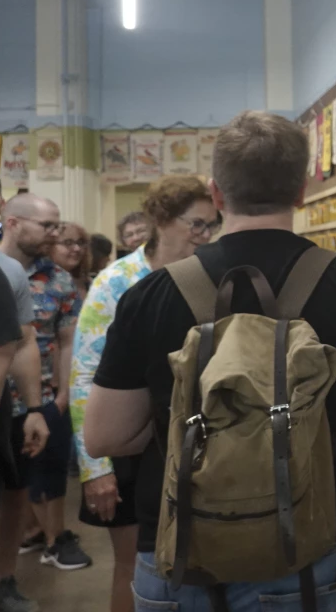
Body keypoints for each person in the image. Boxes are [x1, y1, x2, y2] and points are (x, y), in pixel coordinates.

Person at [84, 110, 336, 611]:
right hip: (306, 546)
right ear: (301, 190)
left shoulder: (151, 294)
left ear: (217, 194)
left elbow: (105, 435)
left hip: (179, 551)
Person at [70, 177, 216, 612]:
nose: (206, 236)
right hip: (128, 450)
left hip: (194, 448)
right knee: (134, 565)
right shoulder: (117, 283)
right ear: (161, 220)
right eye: (196, 225)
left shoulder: (210, 276)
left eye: (212, 225)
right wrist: (94, 468)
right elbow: (84, 376)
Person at [0, 193, 92, 596]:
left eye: (57, 225)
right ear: (13, 223)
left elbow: (67, 342)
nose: (55, 233)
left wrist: (62, 395)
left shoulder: (59, 280)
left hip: (36, 401)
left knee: (24, 488)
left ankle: (4, 577)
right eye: (47, 226)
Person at [0, 168, 49, 612]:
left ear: (1, 207)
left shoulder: (5, 271)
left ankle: (0, 581)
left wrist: (36, 408)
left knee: (3, 494)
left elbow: (22, 344)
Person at [51, 222, 91, 298]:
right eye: (68, 242)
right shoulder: (41, 284)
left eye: (80, 242)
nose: (77, 248)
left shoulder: (90, 284)